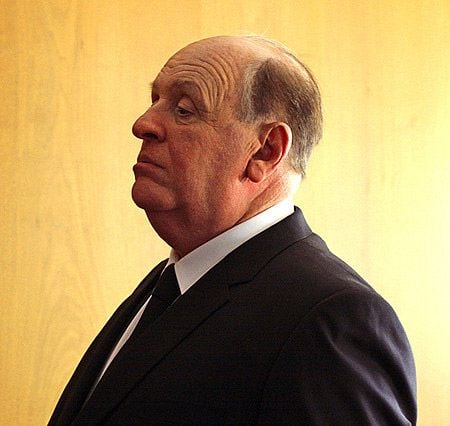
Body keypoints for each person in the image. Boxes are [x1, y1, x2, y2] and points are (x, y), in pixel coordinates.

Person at [49, 35, 416, 425]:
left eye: (184, 110)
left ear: (265, 151)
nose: (144, 124)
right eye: (154, 100)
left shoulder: (331, 320)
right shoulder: (170, 284)